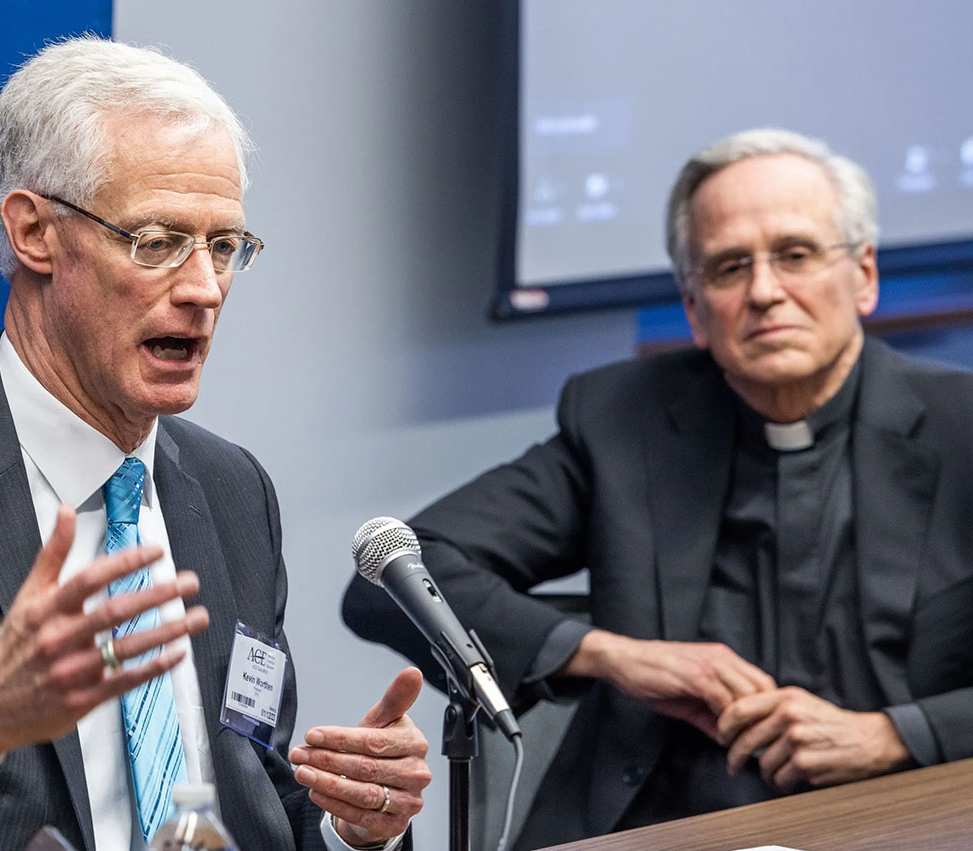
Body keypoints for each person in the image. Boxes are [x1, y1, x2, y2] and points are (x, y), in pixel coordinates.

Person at [0, 36, 430, 851]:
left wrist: (349, 825)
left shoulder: (233, 486)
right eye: (157, 241)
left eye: (223, 246)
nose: (204, 289)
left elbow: (255, 789)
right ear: (34, 232)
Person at [343, 127, 973, 849]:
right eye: (730, 267)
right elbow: (391, 579)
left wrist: (897, 734)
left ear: (864, 276)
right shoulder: (627, 423)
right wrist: (614, 655)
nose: (766, 292)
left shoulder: (961, 426)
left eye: (796, 255)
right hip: (662, 825)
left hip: (907, 817)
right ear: (694, 307)